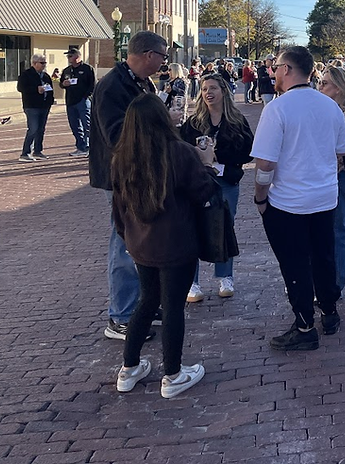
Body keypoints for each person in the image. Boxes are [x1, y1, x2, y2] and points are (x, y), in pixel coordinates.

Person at [111, 93, 214, 399]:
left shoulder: (121, 158)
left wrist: (126, 236)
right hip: (176, 241)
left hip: (140, 242)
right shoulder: (179, 152)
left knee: (147, 300)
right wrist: (207, 164)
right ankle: (173, 373)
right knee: (172, 306)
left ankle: (129, 367)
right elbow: (203, 191)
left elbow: (118, 207)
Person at [252, 46, 345, 351]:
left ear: (286, 69)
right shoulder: (330, 106)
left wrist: (260, 197)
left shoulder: (277, 109)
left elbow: (265, 163)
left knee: (295, 263)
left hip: (289, 201)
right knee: (324, 256)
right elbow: (342, 151)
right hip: (324, 197)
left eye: (276, 67)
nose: (273, 72)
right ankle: (329, 312)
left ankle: (305, 325)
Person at [91, 30, 183, 340]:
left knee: (140, 243)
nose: (164, 63)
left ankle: (142, 305)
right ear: (148, 55)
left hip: (139, 173)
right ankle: (121, 315)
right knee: (125, 244)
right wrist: (162, 123)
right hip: (122, 176)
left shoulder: (140, 83)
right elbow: (116, 136)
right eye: (163, 57)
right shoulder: (112, 86)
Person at [180, 72, 254, 303]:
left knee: (224, 227)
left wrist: (218, 156)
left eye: (213, 88)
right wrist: (201, 157)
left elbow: (247, 151)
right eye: (204, 89)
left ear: (223, 91)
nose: (208, 93)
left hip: (226, 181)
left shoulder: (236, 121)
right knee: (193, 227)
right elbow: (181, 148)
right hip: (198, 182)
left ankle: (225, 277)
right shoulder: (194, 123)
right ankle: (192, 282)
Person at [318, 66, 345, 292]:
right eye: (320, 82)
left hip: (336, 175)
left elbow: (341, 143)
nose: (320, 86)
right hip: (316, 175)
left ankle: (336, 282)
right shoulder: (318, 108)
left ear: (339, 88)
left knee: (336, 228)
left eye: (325, 83)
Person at [17, 53, 54, 162]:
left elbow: (50, 89)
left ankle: (38, 151)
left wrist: (50, 101)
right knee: (33, 129)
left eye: (45, 63)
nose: (44, 65)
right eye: (42, 63)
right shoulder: (26, 74)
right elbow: (21, 88)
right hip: (32, 106)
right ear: (34, 63)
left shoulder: (46, 76)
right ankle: (25, 153)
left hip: (44, 106)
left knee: (41, 129)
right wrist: (36, 89)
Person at [59, 46, 95, 158]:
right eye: (68, 56)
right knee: (75, 126)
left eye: (70, 56)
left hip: (83, 101)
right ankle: (81, 147)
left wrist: (86, 97)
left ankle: (90, 147)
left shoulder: (87, 69)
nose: (69, 58)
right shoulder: (67, 70)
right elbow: (61, 83)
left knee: (87, 125)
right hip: (71, 101)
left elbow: (93, 85)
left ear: (78, 57)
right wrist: (63, 84)